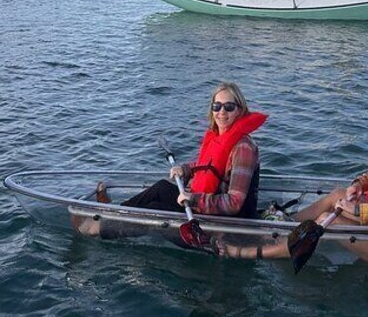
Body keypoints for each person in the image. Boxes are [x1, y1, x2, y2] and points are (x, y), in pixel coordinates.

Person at [222, 88, 368, 267]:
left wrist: (357, 210)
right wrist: (358, 184)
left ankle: (251, 252)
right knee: (338, 194)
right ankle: (282, 230)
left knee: (327, 221)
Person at [72, 82, 267, 237]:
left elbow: (234, 203)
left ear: (240, 110)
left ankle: (97, 230)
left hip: (226, 219)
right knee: (161, 188)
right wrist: (186, 169)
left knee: (156, 210)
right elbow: (209, 167)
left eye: (229, 107)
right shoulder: (220, 137)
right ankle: (115, 212)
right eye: (216, 106)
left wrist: (194, 198)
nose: (221, 112)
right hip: (203, 204)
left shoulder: (243, 148)